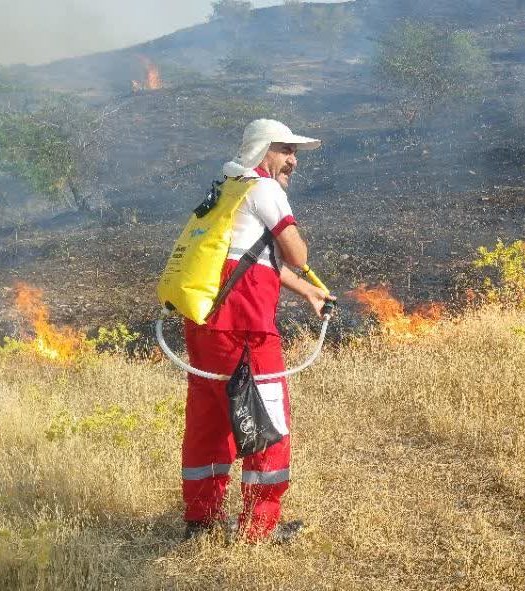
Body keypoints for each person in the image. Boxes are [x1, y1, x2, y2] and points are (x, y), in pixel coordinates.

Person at [181, 119, 333, 544]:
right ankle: (259, 529)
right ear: (264, 151)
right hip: (246, 330)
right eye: (286, 150)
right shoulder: (265, 189)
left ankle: (202, 519)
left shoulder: (229, 186)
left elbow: (252, 257)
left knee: (210, 423)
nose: (294, 160)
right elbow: (296, 252)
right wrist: (303, 264)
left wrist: (308, 293)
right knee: (266, 424)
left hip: (204, 326)